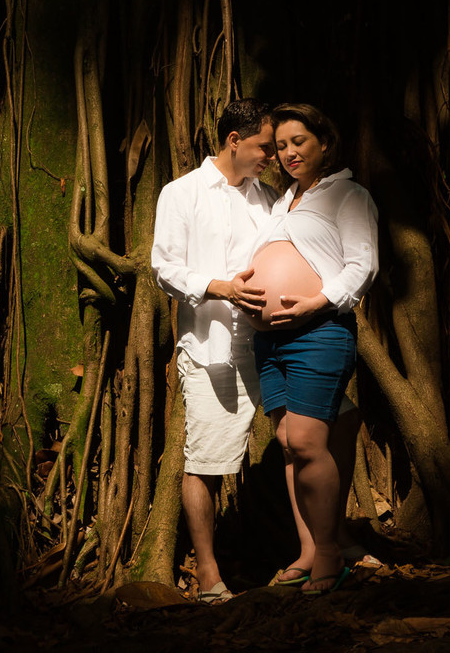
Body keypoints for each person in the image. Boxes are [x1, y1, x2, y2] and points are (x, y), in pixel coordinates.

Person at [244, 102, 379, 595]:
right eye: (280, 147)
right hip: (270, 339)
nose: (288, 154)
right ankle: (307, 550)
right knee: (286, 444)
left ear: (324, 143)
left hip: (319, 331)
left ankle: (329, 554)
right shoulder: (282, 203)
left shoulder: (348, 194)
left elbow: (361, 266)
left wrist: (315, 303)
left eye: (298, 142)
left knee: (305, 441)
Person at [150, 98, 277, 604]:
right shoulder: (181, 194)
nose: (272, 155)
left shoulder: (266, 199)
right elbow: (163, 266)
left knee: (306, 434)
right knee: (205, 459)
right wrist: (218, 287)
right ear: (233, 141)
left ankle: (320, 552)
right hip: (210, 346)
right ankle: (208, 574)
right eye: (264, 146)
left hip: (270, 342)